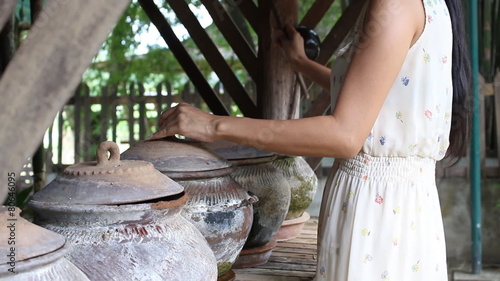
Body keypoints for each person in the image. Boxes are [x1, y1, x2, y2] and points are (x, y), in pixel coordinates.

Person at [150, 0, 471, 279]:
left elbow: (345, 134)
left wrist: (213, 126)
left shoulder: (395, 4)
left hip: (379, 211)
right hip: (404, 206)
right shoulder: (431, 5)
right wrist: (301, 63)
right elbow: (379, 96)